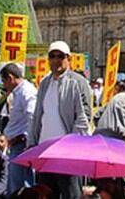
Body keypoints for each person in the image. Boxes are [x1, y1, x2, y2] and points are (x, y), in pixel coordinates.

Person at [29, 41, 92, 199]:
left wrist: (71, 145)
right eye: (52, 56)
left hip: (67, 153)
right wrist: (32, 143)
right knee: (46, 194)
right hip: (45, 150)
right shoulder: (45, 82)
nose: (56, 60)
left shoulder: (78, 82)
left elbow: (84, 117)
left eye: (60, 56)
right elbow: (38, 115)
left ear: (68, 59)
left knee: (71, 194)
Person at [0, 62, 37, 194]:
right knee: (16, 184)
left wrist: (30, 142)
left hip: (22, 144)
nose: (4, 85)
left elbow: (32, 115)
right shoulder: (18, 93)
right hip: (16, 144)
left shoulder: (27, 91)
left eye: (4, 81)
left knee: (20, 187)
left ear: (10, 78)